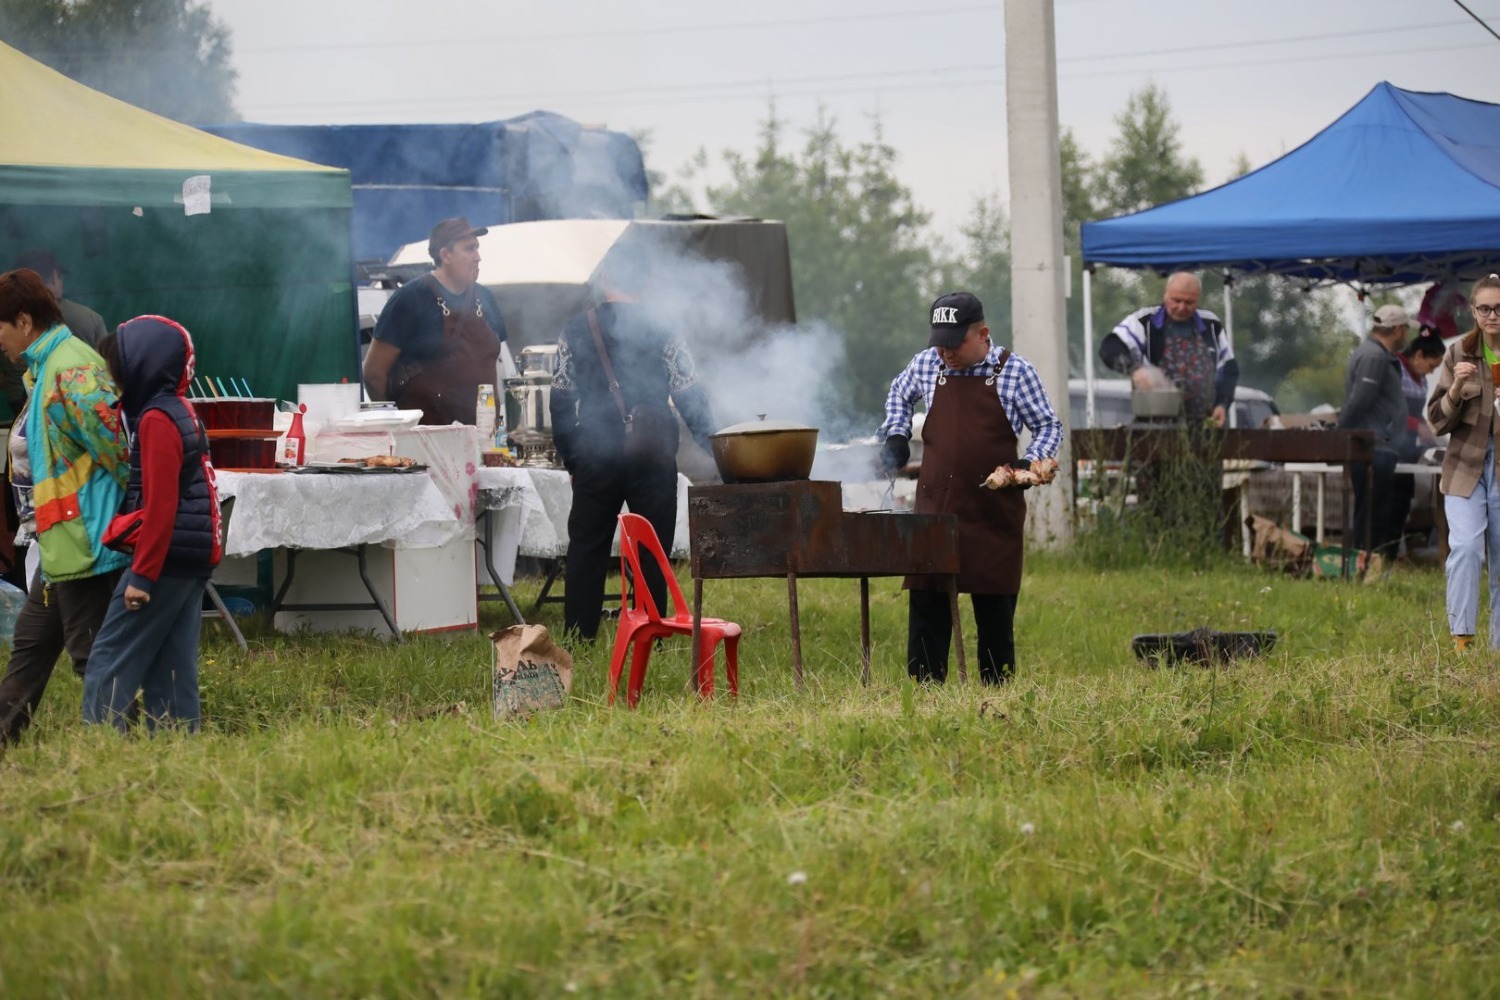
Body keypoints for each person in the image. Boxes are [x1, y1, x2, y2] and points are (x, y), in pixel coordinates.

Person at [877, 292, 1063, 685]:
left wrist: (1033, 462)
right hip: (936, 507)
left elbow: (1048, 425)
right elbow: (898, 393)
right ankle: (924, 692)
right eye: (940, 342)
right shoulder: (928, 364)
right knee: (928, 604)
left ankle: (998, 692)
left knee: (995, 610)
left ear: (983, 334)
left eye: (955, 342)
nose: (945, 352)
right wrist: (895, 432)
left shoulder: (1015, 372)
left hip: (993, 512)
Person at [548, 242, 716, 641]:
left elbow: (560, 397)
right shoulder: (664, 328)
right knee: (650, 549)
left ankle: (579, 636)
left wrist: (572, 459)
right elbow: (689, 391)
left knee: (586, 549)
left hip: (594, 453)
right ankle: (649, 634)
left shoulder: (575, 329)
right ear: (648, 280)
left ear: (604, 278)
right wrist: (715, 447)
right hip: (653, 453)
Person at [0, 269, 128, 743]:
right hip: (58, 544)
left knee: (91, 655)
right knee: (31, 648)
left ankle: (130, 744)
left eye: (0, 328)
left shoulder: (72, 368)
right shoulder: (45, 366)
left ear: (25, 321)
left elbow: (119, 453)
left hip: (85, 541)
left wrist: (110, 526)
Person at [82, 317, 222, 732]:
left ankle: (100, 748)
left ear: (138, 365)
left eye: (115, 366)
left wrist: (141, 576)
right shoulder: (180, 409)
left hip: (165, 557)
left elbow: (161, 505)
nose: (111, 377)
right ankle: (177, 748)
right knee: (171, 667)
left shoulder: (156, 420)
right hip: (191, 554)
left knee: (109, 657)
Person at [362, 217, 509, 425]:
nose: (478, 257)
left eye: (477, 248)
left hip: (482, 439)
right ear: (445, 255)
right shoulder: (410, 299)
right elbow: (373, 373)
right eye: (469, 249)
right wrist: (398, 428)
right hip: (426, 444)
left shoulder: (486, 299)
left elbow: (490, 365)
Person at [1427, 273, 1500, 652]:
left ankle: (1498, 652)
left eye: (1499, 308)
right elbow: (1437, 421)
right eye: (1485, 308)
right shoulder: (1457, 353)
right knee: (1468, 548)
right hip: (1464, 471)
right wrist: (1456, 388)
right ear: (1473, 311)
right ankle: (1462, 642)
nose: (1492, 316)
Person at [1099, 271, 1238, 427]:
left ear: (1198, 299)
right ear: (1166, 295)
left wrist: (1222, 404)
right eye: (1176, 300)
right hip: (1155, 425)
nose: (1181, 307)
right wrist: (1134, 369)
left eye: (1189, 302)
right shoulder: (1145, 321)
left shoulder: (1211, 324)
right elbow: (1109, 347)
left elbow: (1229, 369)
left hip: (1203, 425)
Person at [1338, 303, 1410, 580]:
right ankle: (1366, 571)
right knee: (1372, 513)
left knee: (1374, 510)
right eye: (1405, 330)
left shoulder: (1376, 354)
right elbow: (1360, 399)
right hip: (1373, 447)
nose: (1407, 337)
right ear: (1397, 329)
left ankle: (1368, 570)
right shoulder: (1375, 357)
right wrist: (1342, 429)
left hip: (1378, 445)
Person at [1388, 332, 1445, 555]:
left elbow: (1415, 413)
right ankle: (1384, 554)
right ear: (1418, 355)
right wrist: (1417, 425)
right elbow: (1392, 410)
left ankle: (1394, 553)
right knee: (1391, 501)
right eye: (1431, 365)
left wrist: (1427, 426)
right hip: (1391, 442)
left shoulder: (1419, 379)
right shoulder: (1395, 370)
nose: (1431, 371)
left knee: (1403, 499)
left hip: (1408, 445)